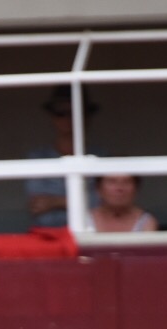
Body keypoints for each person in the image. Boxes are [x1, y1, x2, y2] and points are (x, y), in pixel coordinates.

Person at [27, 87, 99, 228]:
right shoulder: (38, 157)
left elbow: (103, 203)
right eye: (61, 113)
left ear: (87, 117)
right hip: (49, 236)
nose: (68, 118)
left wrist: (55, 202)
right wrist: (83, 201)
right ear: (52, 117)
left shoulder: (100, 156)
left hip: (90, 235)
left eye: (75, 113)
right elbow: (38, 206)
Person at [88, 175, 156, 233]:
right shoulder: (85, 220)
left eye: (127, 182)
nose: (119, 188)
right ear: (98, 188)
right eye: (112, 182)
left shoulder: (146, 222)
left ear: (136, 188)